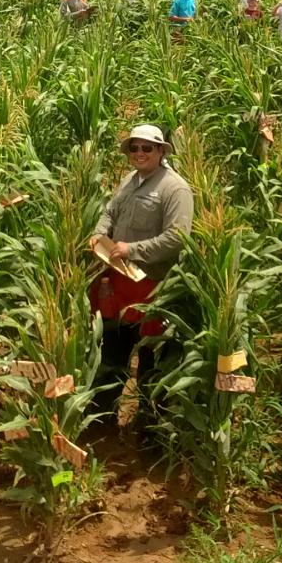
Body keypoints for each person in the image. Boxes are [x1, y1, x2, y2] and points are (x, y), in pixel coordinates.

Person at [88, 124, 194, 421]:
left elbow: (177, 238)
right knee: (111, 355)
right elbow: (109, 212)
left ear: (161, 151)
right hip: (120, 284)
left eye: (147, 148)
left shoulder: (175, 188)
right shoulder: (129, 181)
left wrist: (130, 249)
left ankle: (151, 428)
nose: (140, 153)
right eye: (134, 148)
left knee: (151, 362)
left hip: (153, 289)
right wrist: (99, 235)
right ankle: (101, 422)